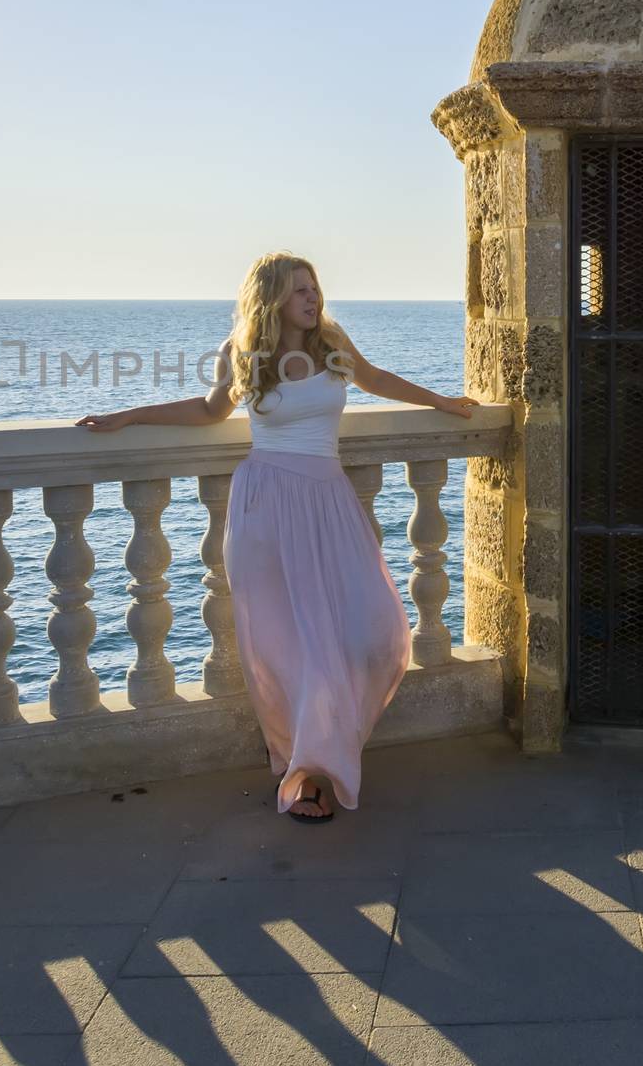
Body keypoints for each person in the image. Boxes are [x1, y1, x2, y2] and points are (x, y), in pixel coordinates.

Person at [76, 251, 477, 823]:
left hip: (327, 501)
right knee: (288, 644)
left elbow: (377, 379)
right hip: (265, 505)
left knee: (371, 626)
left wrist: (441, 400)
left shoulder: (331, 342)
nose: (312, 299)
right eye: (299, 292)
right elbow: (210, 410)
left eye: (313, 288)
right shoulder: (243, 353)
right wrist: (129, 415)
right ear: (271, 300)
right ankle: (307, 772)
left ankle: (328, 747)